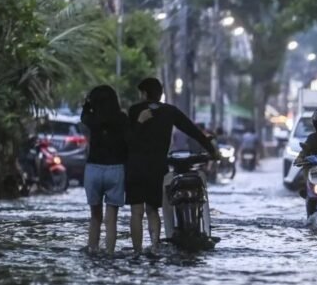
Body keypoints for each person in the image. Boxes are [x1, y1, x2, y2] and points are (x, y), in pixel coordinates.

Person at [126, 77, 218, 255]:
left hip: (135, 167)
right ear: (160, 94)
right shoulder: (170, 111)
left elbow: (129, 138)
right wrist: (211, 149)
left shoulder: (135, 110)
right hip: (158, 168)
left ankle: (137, 251)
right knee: (153, 210)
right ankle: (154, 247)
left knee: (136, 212)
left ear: (144, 94)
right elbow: (191, 130)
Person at [80, 85, 129, 256]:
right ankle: (109, 252)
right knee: (111, 219)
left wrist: (87, 104)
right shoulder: (122, 118)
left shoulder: (92, 119)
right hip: (116, 170)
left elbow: (83, 116)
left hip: (93, 169)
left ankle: (92, 248)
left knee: (95, 217)